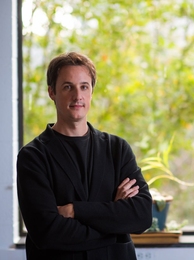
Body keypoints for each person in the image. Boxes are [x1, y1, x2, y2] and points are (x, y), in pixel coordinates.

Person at [17, 51, 153, 260]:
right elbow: (48, 233)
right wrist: (114, 225)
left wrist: (75, 211)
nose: (77, 96)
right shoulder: (33, 157)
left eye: (84, 87)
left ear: (91, 92)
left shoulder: (117, 149)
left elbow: (141, 216)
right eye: (67, 87)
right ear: (52, 92)